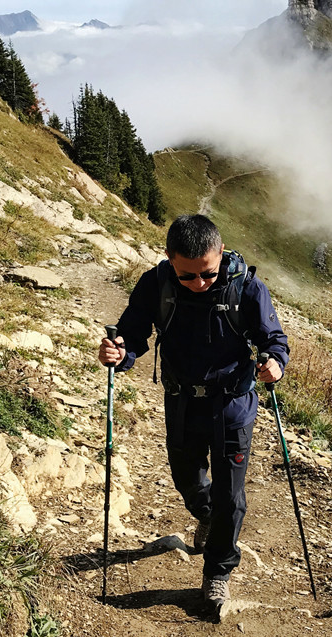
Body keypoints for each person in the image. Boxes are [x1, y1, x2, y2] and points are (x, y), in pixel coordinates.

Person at [98, 214, 289, 608]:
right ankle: (206, 514)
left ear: (220, 254)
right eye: (188, 276)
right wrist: (119, 352)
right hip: (181, 399)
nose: (199, 284)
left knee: (231, 494)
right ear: (169, 258)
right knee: (186, 477)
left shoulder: (246, 287)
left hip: (233, 403)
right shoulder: (157, 284)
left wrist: (275, 362)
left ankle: (218, 572)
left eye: (208, 274)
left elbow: (272, 337)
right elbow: (132, 334)